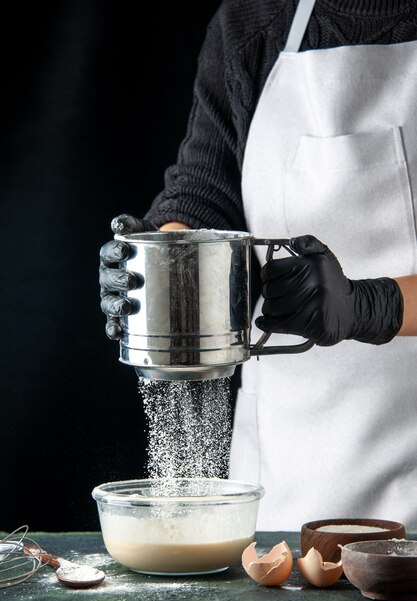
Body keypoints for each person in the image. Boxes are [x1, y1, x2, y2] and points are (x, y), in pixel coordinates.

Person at [99, 0, 417, 531]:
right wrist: (159, 263)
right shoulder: (254, 22)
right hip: (286, 494)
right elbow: (204, 191)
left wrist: (374, 305)